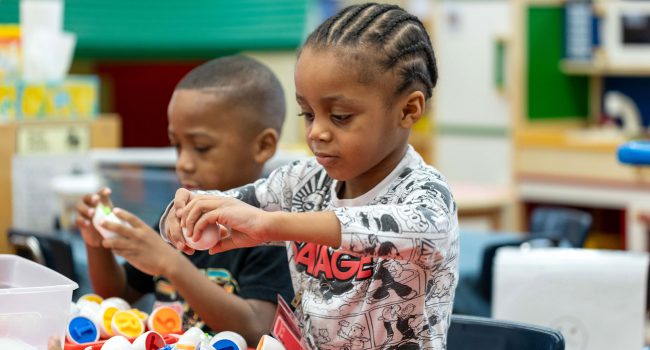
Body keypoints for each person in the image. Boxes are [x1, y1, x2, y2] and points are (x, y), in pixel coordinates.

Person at [111, 3, 458, 349]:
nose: (316, 132)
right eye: (307, 114)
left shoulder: (427, 197)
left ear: (408, 110)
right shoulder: (302, 181)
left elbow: (392, 227)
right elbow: (227, 203)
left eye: (339, 116)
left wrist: (270, 225)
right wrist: (184, 214)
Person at [76, 55, 294, 344]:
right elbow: (117, 299)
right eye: (177, 146)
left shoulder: (271, 232)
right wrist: (98, 243)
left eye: (201, 148)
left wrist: (171, 264)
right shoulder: (176, 221)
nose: (183, 164)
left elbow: (255, 328)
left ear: (263, 146)